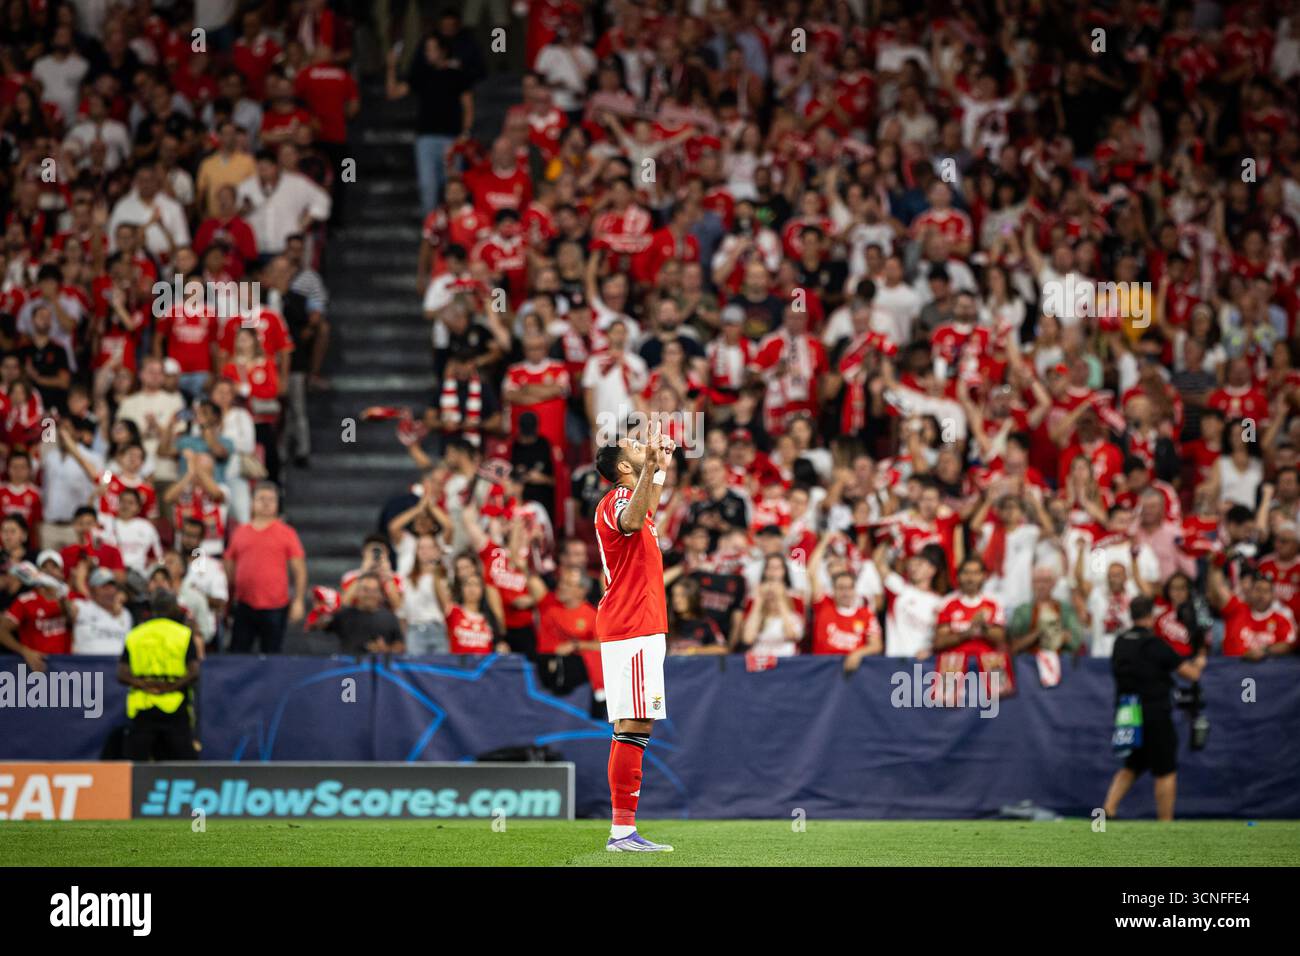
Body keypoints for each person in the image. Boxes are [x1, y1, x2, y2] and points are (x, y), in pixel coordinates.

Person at [592, 424, 675, 852]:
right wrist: (652, 473)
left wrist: (659, 471)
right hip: (633, 625)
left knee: (632, 726)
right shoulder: (617, 501)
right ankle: (622, 832)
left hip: (635, 624)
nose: (644, 447)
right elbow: (629, 519)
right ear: (625, 466)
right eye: (636, 447)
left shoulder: (634, 498)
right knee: (635, 724)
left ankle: (623, 830)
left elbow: (644, 510)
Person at [1102, 596, 1207, 821]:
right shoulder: (1155, 643)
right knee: (1165, 768)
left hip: (1128, 713)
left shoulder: (1120, 642)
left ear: (1131, 615)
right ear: (1151, 615)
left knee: (1132, 764)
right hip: (1154, 712)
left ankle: (1108, 811)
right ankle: (1165, 823)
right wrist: (1199, 660)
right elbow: (1191, 674)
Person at [223, 482, 307, 653]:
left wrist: (298, 600)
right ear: (252, 502)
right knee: (238, 653)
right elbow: (229, 566)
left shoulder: (287, 533)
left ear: (277, 504)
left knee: (271, 656)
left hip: (275, 605)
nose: (266, 503)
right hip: (244, 604)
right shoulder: (240, 532)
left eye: (271, 499)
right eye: (261, 498)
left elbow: (299, 569)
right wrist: (229, 599)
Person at [117, 590, 201, 761]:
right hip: (175, 704)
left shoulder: (135, 634)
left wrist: (144, 685)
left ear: (153, 609)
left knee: (136, 766)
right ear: (173, 609)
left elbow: (122, 674)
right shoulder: (183, 634)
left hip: (143, 705)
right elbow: (193, 671)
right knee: (185, 766)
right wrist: (170, 687)